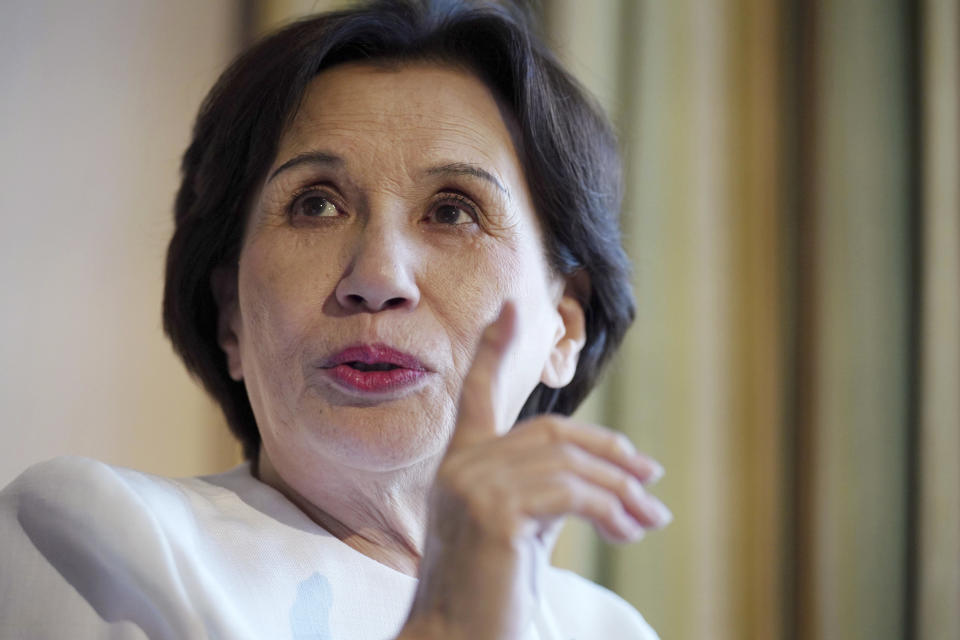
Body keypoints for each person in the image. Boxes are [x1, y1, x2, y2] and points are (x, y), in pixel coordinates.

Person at [0, 1, 671, 638]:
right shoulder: (94, 539)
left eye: (452, 210)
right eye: (315, 205)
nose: (377, 278)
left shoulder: (607, 628)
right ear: (231, 316)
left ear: (564, 326)